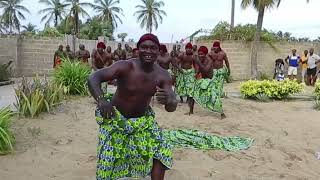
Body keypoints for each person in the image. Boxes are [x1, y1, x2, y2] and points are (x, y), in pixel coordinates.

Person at [88, 33, 177, 180]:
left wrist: (170, 101)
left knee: (163, 150)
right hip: (115, 120)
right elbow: (94, 77)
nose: (148, 51)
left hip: (142, 123)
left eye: (153, 48)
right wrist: (102, 101)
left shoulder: (163, 75)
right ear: (138, 48)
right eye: (144, 47)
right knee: (107, 164)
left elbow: (171, 106)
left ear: (158, 50)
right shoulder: (125, 66)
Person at [208, 41, 230, 119]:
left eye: (216, 47)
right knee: (212, 92)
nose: (215, 48)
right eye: (214, 47)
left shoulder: (223, 53)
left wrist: (229, 70)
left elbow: (227, 62)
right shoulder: (210, 53)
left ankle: (220, 111)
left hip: (220, 74)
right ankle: (218, 109)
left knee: (218, 92)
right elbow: (207, 62)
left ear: (219, 47)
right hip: (213, 74)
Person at [175, 42, 196, 114]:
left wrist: (196, 73)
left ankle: (190, 106)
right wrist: (180, 69)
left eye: (190, 49)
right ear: (186, 48)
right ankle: (182, 99)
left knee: (191, 89)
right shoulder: (182, 55)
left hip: (190, 73)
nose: (189, 50)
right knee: (180, 88)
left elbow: (195, 65)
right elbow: (176, 63)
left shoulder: (193, 56)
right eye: (188, 48)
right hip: (182, 72)